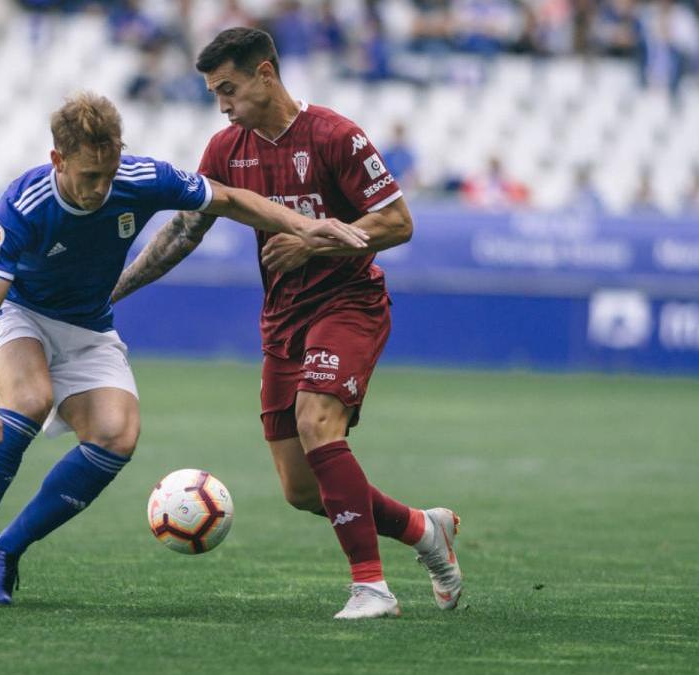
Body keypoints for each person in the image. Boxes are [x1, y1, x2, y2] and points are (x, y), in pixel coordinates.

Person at [0, 91, 369, 610]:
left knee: (117, 435)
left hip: (88, 324)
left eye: (109, 173)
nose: (101, 188)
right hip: (20, 315)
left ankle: (3, 550)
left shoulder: (139, 178)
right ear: (57, 160)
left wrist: (301, 225)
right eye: (89, 176)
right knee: (28, 400)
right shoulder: (25, 205)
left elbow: (228, 198)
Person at [111, 28, 463, 620]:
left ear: (265, 74)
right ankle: (424, 531)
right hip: (282, 320)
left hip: (348, 303)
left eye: (229, 89)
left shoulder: (335, 136)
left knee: (317, 422)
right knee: (302, 489)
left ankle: (371, 587)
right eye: (214, 93)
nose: (222, 104)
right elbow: (183, 231)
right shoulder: (226, 150)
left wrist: (312, 245)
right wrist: (113, 291)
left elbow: (398, 223)